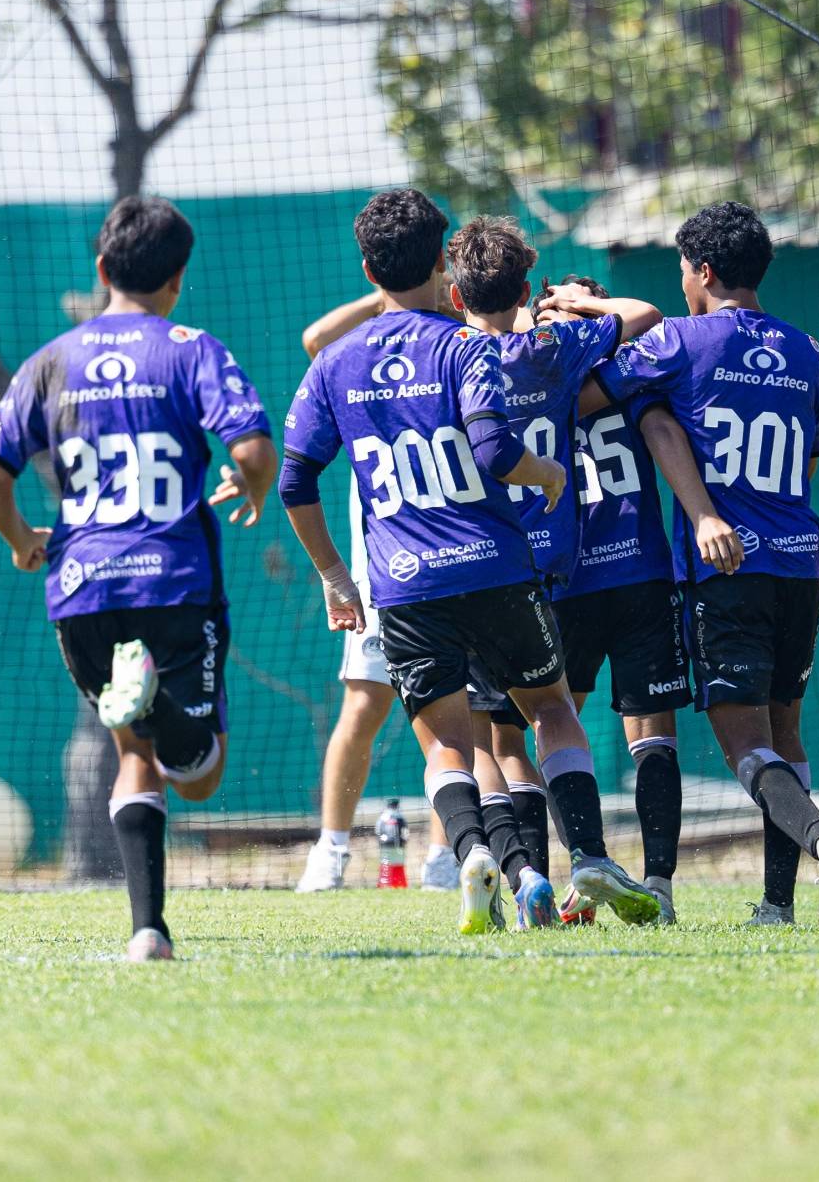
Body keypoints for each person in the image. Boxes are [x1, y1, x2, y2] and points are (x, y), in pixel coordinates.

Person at [279, 189, 657, 933]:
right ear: (440, 265)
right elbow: (492, 450)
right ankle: (586, 855)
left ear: (367, 270)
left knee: (451, 744)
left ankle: (477, 855)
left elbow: (295, 480)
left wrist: (333, 576)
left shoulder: (335, 363)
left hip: (403, 587)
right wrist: (548, 475)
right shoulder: (464, 347)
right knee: (550, 709)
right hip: (496, 570)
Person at [0, 196, 277, 961]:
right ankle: (161, 707)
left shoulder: (50, 360)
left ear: (102, 268)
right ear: (177, 277)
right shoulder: (190, 348)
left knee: (133, 754)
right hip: (173, 579)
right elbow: (251, 450)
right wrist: (251, 486)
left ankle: (148, 929)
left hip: (83, 585)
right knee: (198, 773)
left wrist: (21, 540)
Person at [583, 201, 819, 927]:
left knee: (744, 744)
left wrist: (575, 324)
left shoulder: (679, 339)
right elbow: (808, 455)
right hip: (801, 564)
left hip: (727, 565)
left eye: (683, 269)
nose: (682, 282)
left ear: (704, 271)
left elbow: (584, 396)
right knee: (785, 733)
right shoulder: (805, 348)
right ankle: (777, 904)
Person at [444, 220, 665, 927]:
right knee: (554, 713)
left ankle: (526, 876)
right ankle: (591, 856)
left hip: (484, 564)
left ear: (457, 295)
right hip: (557, 568)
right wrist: (578, 303)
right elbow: (645, 313)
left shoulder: (448, 353)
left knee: (497, 737)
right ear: (524, 289)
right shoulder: (555, 348)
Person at [532, 277, 690, 923]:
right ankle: (634, 882)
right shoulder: (633, 371)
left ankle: (606, 875)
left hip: (596, 580)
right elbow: (648, 320)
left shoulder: (535, 382)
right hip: (615, 577)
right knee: (623, 733)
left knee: (564, 727)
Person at [293, 291, 454, 893]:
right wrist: (383, 294)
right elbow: (315, 339)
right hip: (381, 569)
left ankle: (446, 855)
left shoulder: (455, 333)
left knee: (461, 714)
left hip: (457, 560)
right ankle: (331, 850)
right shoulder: (360, 349)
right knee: (363, 707)